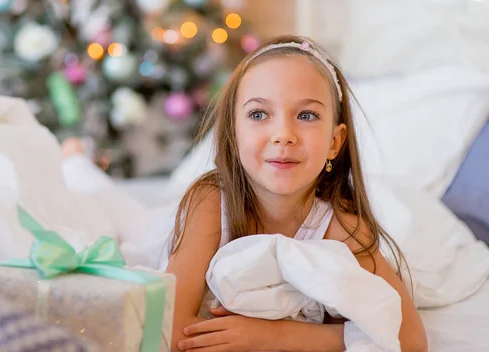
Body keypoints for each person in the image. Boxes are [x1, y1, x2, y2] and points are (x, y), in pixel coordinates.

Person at [165, 35, 428, 352]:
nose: (283, 136)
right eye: (259, 114)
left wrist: (272, 336)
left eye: (306, 115)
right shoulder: (210, 204)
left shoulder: (341, 230)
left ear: (334, 142)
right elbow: (168, 324)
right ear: (233, 134)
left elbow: (411, 340)